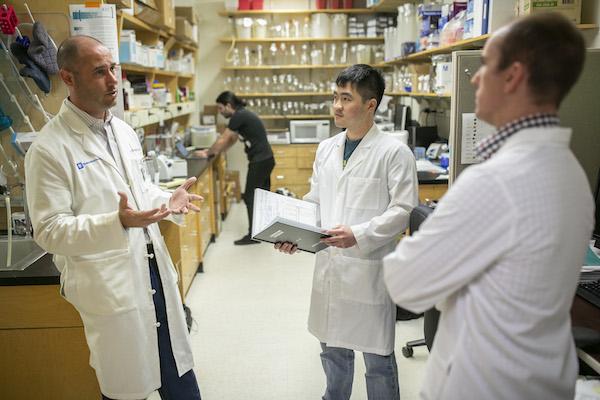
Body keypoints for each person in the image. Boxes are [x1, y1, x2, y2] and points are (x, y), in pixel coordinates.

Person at [383, 13, 595, 400]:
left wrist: (446, 272)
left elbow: (404, 283)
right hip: (542, 378)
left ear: (513, 76)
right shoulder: (572, 174)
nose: (475, 78)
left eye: (485, 66)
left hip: (482, 382)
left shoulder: (496, 181)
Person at [24, 36, 203, 400]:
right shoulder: (49, 148)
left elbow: (137, 190)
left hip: (152, 271)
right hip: (110, 285)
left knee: (181, 384)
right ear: (68, 78)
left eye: (114, 69)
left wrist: (169, 199)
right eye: (100, 72)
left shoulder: (121, 130)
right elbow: (48, 230)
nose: (113, 81)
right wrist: (116, 223)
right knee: (126, 387)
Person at [276, 64, 418, 400]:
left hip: (368, 268)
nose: (337, 106)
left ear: (371, 105)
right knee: (332, 352)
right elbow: (316, 200)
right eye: (335, 97)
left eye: (346, 98)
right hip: (330, 266)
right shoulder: (326, 149)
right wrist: (295, 233)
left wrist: (359, 233)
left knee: (377, 359)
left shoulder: (394, 152)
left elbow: (403, 210)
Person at [195, 91, 275, 245]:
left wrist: (208, 152)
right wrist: (218, 151)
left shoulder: (238, 116)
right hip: (266, 159)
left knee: (251, 197)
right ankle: (264, 230)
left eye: (220, 108)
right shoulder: (241, 115)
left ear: (228, 105)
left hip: (260, 160)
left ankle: (254, 235)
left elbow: (224, 138)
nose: (219, 112)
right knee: (262, 196)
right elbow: (232, 139)